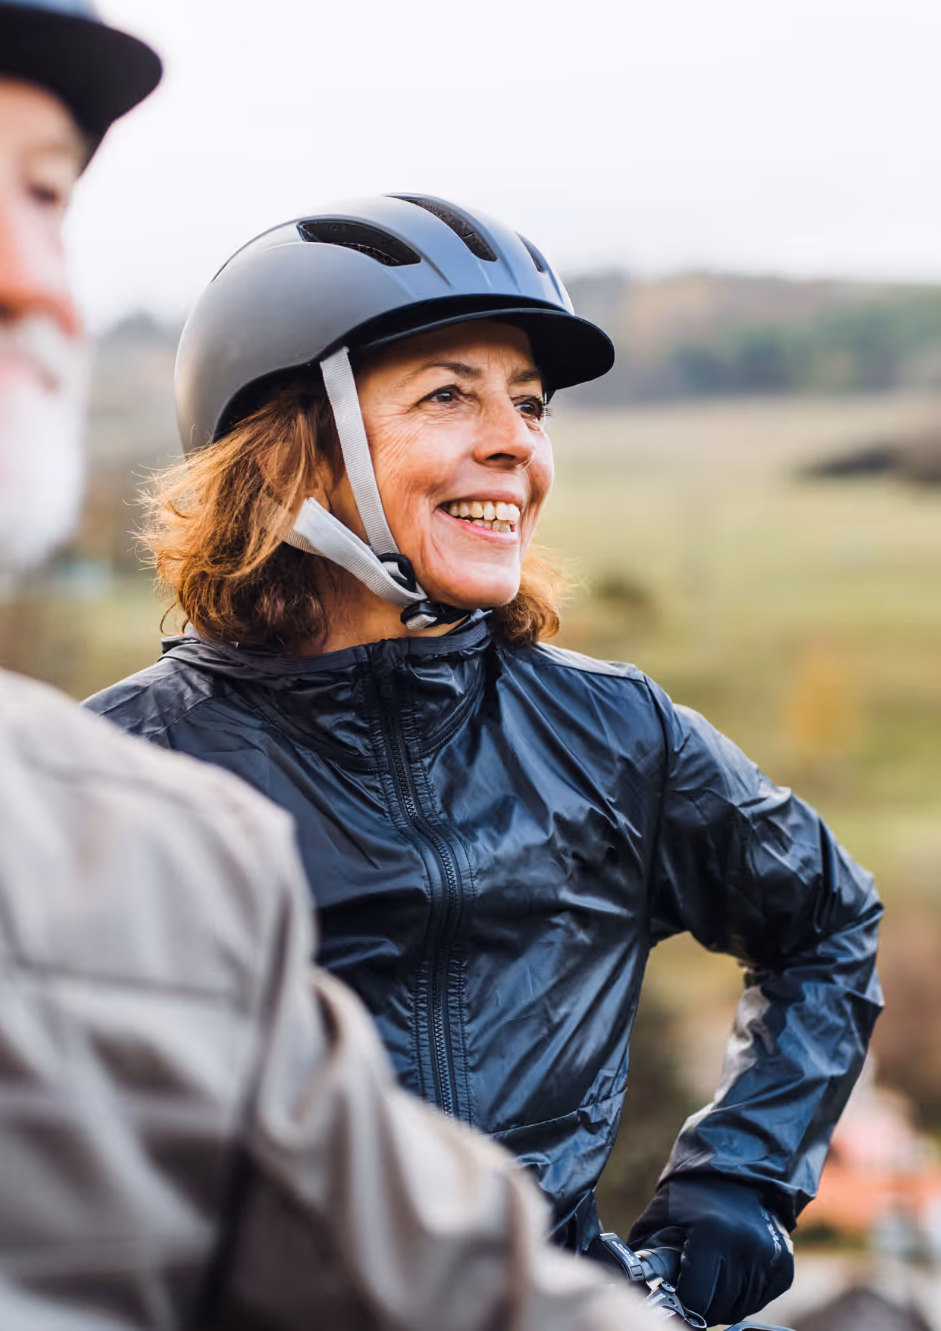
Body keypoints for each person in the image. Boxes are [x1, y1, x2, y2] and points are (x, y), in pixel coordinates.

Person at [0, 0, 659, 1328]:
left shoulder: (159, 857)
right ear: (294, 457)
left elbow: (450, 1282)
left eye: (49, 195)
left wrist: (727, 1210)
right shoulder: (152, 761)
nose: (18, 272)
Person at [89, 194, 885, 1328]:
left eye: (528, 403)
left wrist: (740, 1185)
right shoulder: (108, 779)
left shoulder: (619, 738)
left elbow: (828, 923)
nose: (517, 442)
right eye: (449, 394)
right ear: (291, 452)